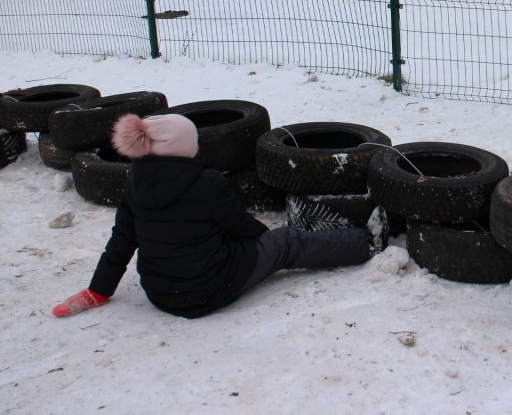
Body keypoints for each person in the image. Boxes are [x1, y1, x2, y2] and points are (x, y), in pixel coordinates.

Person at [52, 113, 387, 319]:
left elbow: (122, 241)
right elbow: (242, 227)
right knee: (286, 240)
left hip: (160, 294)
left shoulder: (134, 183)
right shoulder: (205, 182)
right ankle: (364, 243)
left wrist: (99, 289)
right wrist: (266, 242)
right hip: (211, 289)